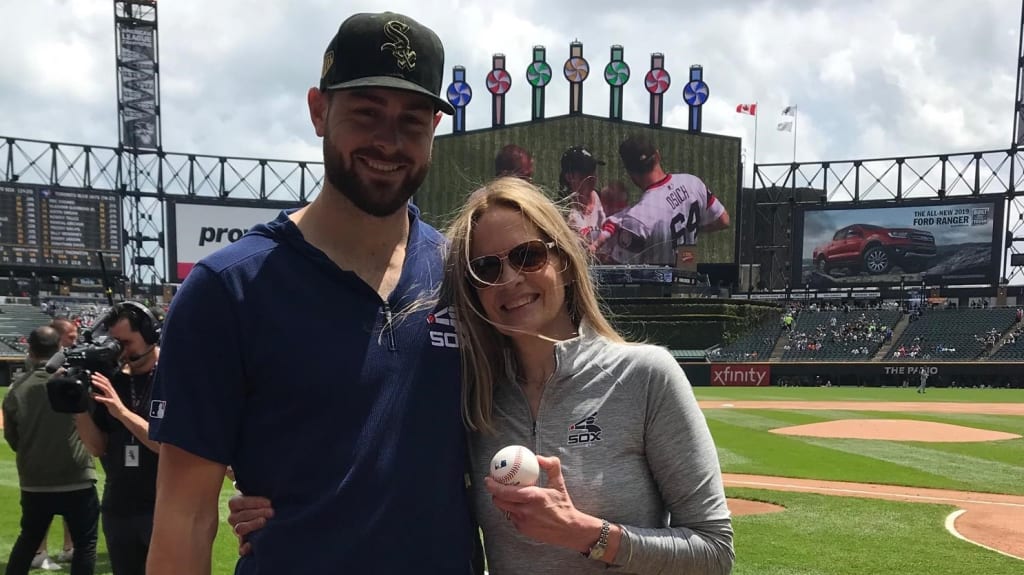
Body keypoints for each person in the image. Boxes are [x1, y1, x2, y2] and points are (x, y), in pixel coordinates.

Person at [229, 178, 735, 574]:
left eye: (527, 255)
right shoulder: (474, 394)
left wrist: (584, 533)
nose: (510, 279)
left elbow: (714, 552)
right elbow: (384, 470)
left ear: (561, 257)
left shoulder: (645, 375)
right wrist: (275, 503)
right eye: (486, 269)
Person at [145, 11, 479, 575]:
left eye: (413, 121)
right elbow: (186, 519)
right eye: (367, 113)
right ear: (318, 111)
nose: (389, 141)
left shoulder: (465, 276)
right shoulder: (228, 289)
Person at [72, 302, 165, 575]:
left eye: (126, 342)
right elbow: (96, 446)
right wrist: (78, 406)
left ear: (150, 335)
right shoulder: (111, 380)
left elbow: (167, 446)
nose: (120, 351)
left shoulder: (171, 377)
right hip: (119, 507)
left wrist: (121, 411)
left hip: (162, 506)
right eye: (115, 342)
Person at [4, 326, 99, 575]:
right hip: (76, 475)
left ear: (30, 350)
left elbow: (12, 437)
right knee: (85, 545)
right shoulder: (73, 380)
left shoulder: (18, 388)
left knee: (28, 541)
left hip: (34, 480)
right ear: (59, 348)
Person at [593, 134, 730, 265]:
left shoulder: (637, 217)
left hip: (656, 288)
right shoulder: (693, 182)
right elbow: (723, 220)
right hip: (688, 276)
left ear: (630, 172)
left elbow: (618, 268)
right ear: (658, 156)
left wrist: (597, 256)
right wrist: (686, 229)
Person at [560, 145, 606, 250]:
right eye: (585, 173)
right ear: (569, 177)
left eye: (593, 170)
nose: (592, 177)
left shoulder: (605, 201)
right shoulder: (562, 211)